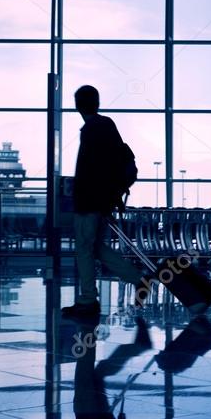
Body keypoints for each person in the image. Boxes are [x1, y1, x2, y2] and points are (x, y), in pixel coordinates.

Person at [62, 85, 149, 319]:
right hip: (103, 200)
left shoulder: (90, 129)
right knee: (96, 248)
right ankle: (139, 280)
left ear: (78, 105)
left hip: (89, 201)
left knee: (84, 249)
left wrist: (79, 189)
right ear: (97, 103)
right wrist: (114, 196)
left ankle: (88, 300)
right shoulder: (108, 125)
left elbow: (93, 169)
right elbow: (115, 163)